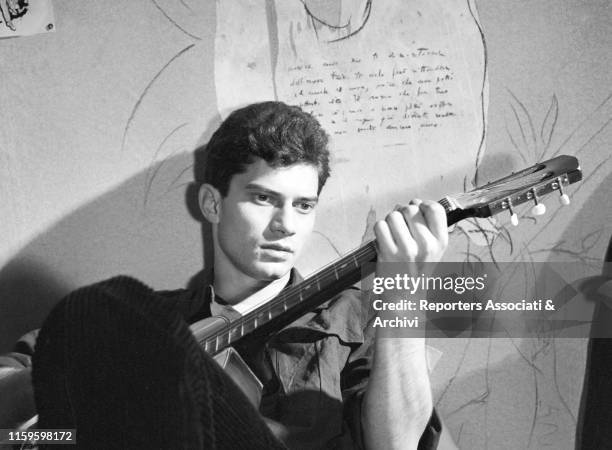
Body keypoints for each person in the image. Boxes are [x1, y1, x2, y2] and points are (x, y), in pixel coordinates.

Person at [0, 101, 449, 449]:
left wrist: (405, 294)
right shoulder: (145, 322)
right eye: (263, 199)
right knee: (97, 310)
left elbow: (398, 445)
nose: (286, 225)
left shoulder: (358, 317)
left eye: (304, 205)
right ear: (213, 204)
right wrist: (72, 384)